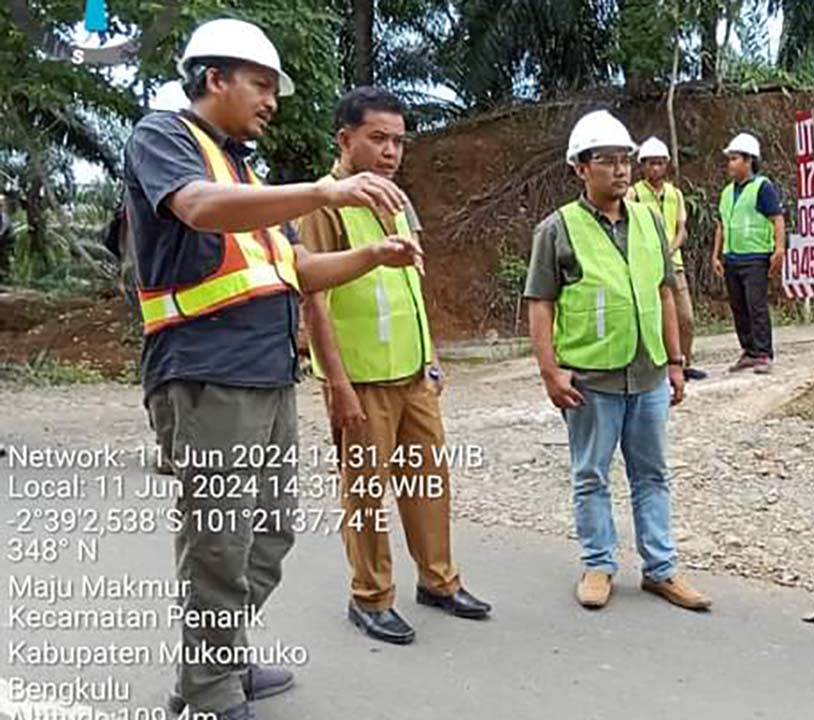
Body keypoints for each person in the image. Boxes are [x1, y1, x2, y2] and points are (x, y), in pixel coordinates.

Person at [124, 18, 419, 720]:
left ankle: (216, 659)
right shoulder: (163, 138)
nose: (272, 101)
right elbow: (195, 210)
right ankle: (207, 693)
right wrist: (324, 191)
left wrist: (372, 257)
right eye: (260, 84)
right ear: (214, 79)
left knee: (270, 531)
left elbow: (297, 269)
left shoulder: (247, 172)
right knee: (220, 541)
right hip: (205, 374)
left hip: (266, 373)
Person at [299, 87, 491, 645]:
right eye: (377, 139)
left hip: (412, 375)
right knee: (365, 492)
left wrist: (430, 358)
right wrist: (335, 383)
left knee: (429, 482)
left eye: (398, 141)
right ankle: (370, 596)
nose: (390, 152)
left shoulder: (398, 201)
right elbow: (312, 293)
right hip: (360, 379)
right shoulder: (324, 203)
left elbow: (411, 284)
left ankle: (438, 580)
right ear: (346, 139)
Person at [524, 110, 710, 611]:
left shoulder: (650, 220)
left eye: (624, 159)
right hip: (590, 378)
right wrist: (549, 370)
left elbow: (663, 292)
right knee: (591, 474)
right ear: (580, 168)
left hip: (647, 372)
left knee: (652, 474)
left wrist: (676, 361)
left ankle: (661, 569)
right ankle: (598, 564)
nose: (621, 169)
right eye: (606, 160)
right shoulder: (557, 229)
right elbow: (540, 302)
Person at [627, 136, 707, 381]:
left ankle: (684, 362)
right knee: (652, 317)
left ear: (667, 164)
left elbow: (681, 228)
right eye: (650, 163)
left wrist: (671, 249)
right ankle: (658, 365)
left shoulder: (675, 194)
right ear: (642, 166)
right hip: (645, 266)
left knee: (686, 318)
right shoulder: (634, 194)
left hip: (674, 264)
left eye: (660, 163)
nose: (655, 168)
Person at [712, 132, 785, 374]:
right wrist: (716, 255)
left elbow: (777, 219)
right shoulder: (726, 192)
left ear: (748, 160)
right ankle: (749, 350)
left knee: (756, 305)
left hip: (755, 256)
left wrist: (779, 249)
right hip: (732, 257)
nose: (730, 164)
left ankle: (763, 353)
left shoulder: (762, 188)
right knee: (739, 306)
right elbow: (721, 224)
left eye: (734, 159)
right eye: (730, 159)